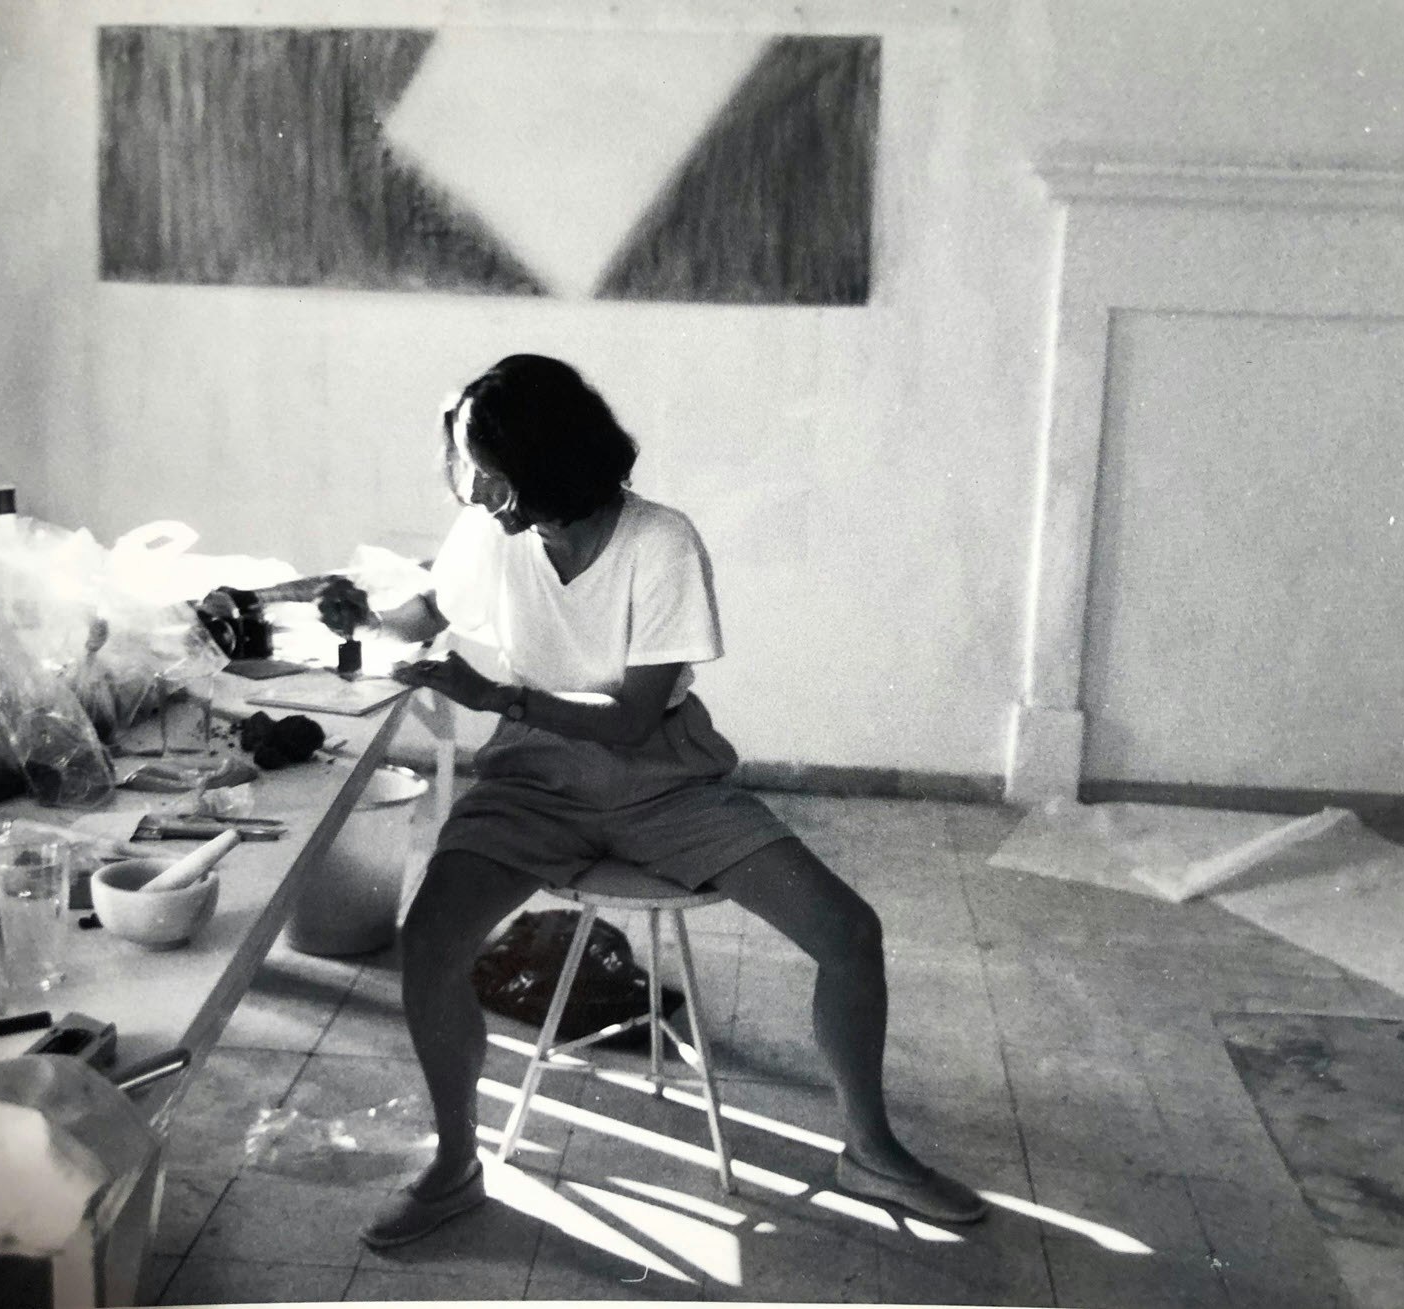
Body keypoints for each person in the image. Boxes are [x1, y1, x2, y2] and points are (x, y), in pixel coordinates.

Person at [318, 354, 985, 1248]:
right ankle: (455, 1164)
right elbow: (431, 611)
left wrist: (498, 695)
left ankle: (870, 1151)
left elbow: (633, 717)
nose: (473, 489)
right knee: (431, 943)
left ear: (548, 461)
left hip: (659, 775)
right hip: (531, 779)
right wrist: (364, 615)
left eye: (489, 468)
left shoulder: (660, 541)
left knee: (849, 933)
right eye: (469, 468)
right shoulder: (490, 528)